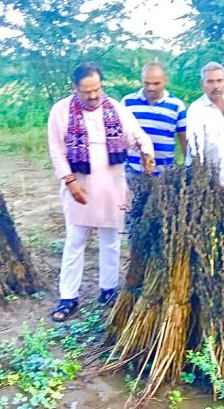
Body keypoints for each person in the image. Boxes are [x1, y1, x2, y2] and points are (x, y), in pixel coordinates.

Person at [47, 63, 155, 321]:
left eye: (97, 89)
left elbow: (138, 136)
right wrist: (70, 182)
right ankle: (68, 298)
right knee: (75, 242)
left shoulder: (116, 109)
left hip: (111, 186)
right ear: (75, 89)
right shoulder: (61, 111)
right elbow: (56, 151)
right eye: (87, 92)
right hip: (80, 187)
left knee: (111, 241)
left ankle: (108, 291)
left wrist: (146, 152)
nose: (93, 96)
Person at [185, 62, 224, 194]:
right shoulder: (196, 110)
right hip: (209, 184)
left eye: (219, 81)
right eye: (210, 82)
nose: (216, 86)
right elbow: (196, 151)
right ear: (202, 84)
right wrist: (201, 185)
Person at [121, 62, 187, 176]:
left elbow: (184, 140)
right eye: (147, 83)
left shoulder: (177, 106)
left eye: (156, 83)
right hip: (132, 172)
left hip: (164, 174)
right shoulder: (127, 102)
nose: (151, 88)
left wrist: (189, 167)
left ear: (165, 81)